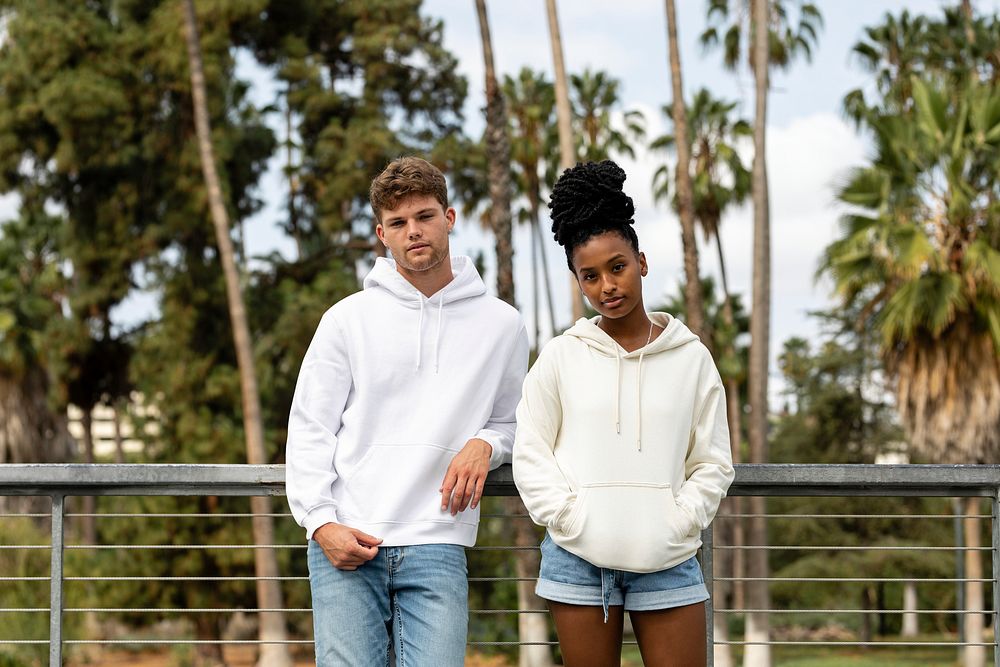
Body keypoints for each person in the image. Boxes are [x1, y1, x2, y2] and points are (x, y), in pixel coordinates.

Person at [286, 156, 528, 666]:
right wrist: (319, 522)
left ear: (450, 218)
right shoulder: (346, 319)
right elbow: (311, 427)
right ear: (382, 234)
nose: (413, 231)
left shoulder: (502, 325)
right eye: (398, 223)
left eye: (425, 216)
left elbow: (512, 421)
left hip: (436, 542)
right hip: (346, 540)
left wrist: (486, 444)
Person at [512, 160, 734, 666]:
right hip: (578, 560)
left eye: (618, 267)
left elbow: (713, 460)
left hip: (669, 560)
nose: (607, 285)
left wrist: (681, 520)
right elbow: (531, 450)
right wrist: (569, 516)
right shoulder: (563, 355)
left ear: (642, 262)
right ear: (579, 283)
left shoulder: (691, 357)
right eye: (590, 276)